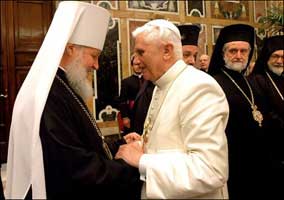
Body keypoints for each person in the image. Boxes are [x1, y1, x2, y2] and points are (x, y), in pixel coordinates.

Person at [6, 1, 141, 199]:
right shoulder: (49, 95)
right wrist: (131, 168)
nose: (96, 66)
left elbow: (79, 141)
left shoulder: (63, 84)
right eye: (93, 56)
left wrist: (117, 145)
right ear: (70, 49)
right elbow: (73, 165)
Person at [115, 19, 230, 199]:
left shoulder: (198, 87)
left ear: (167, 51)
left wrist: (142, 160)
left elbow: (210, 170)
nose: (136, 60)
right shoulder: (160, 85)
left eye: (141, 52)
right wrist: (143, 145)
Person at [208, 24, 270, 199]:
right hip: (231, 160)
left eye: (244, 51)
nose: (238, 56)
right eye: (233, 51)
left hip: (257, 160)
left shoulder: (251, 82)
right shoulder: (213, 83)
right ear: (223, 53)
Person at [249, 35, 284, 198]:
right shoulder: (257, 80)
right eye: (275, 56)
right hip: (271, 148)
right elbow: (265, 113)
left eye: (283, 57)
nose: (279, 61)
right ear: (266, 58)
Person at [117, 54, 144, 134]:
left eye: (140, 64)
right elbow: (122, 101)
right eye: (136, 64)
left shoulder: (148, 80)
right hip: (132, 114)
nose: (138, 66)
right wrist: (125, 117)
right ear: (132, 65)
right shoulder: (126, 82)